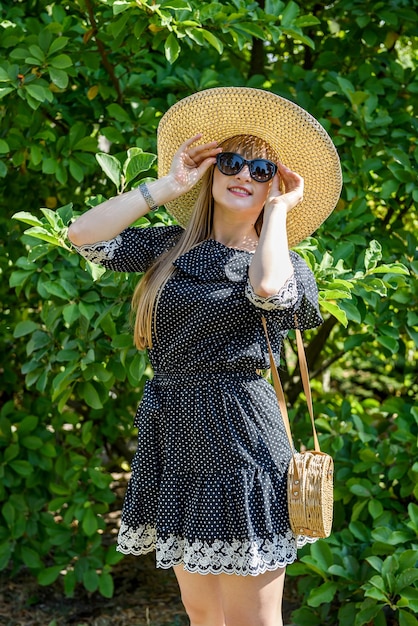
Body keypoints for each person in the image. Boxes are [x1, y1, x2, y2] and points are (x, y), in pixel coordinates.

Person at [68, 87, 342, 626]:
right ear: (212, 172)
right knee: (202, 614)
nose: (245, 174)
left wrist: (281, 212)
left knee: (252, 621)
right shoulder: (170, 246)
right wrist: (166, 186)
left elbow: (266, 288)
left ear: (276, 187)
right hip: (174, 435)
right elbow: (82, 235)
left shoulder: (289, 268)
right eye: (233, 162)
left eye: (263, 171)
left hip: (242, 441)